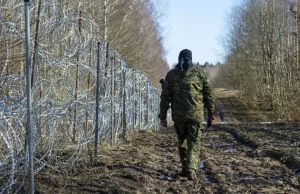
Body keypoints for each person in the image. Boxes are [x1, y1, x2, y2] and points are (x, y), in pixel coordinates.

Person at [159, 49, 215, 180]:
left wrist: (162, 116)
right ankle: (191, 169)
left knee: (183, 141)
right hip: (196, 115)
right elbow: (209, 96)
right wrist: (210, 114)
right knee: (194, 142)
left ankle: (185, 168)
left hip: (178, 117)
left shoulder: (171, 75)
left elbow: (165, 98)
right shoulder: (200, 74)